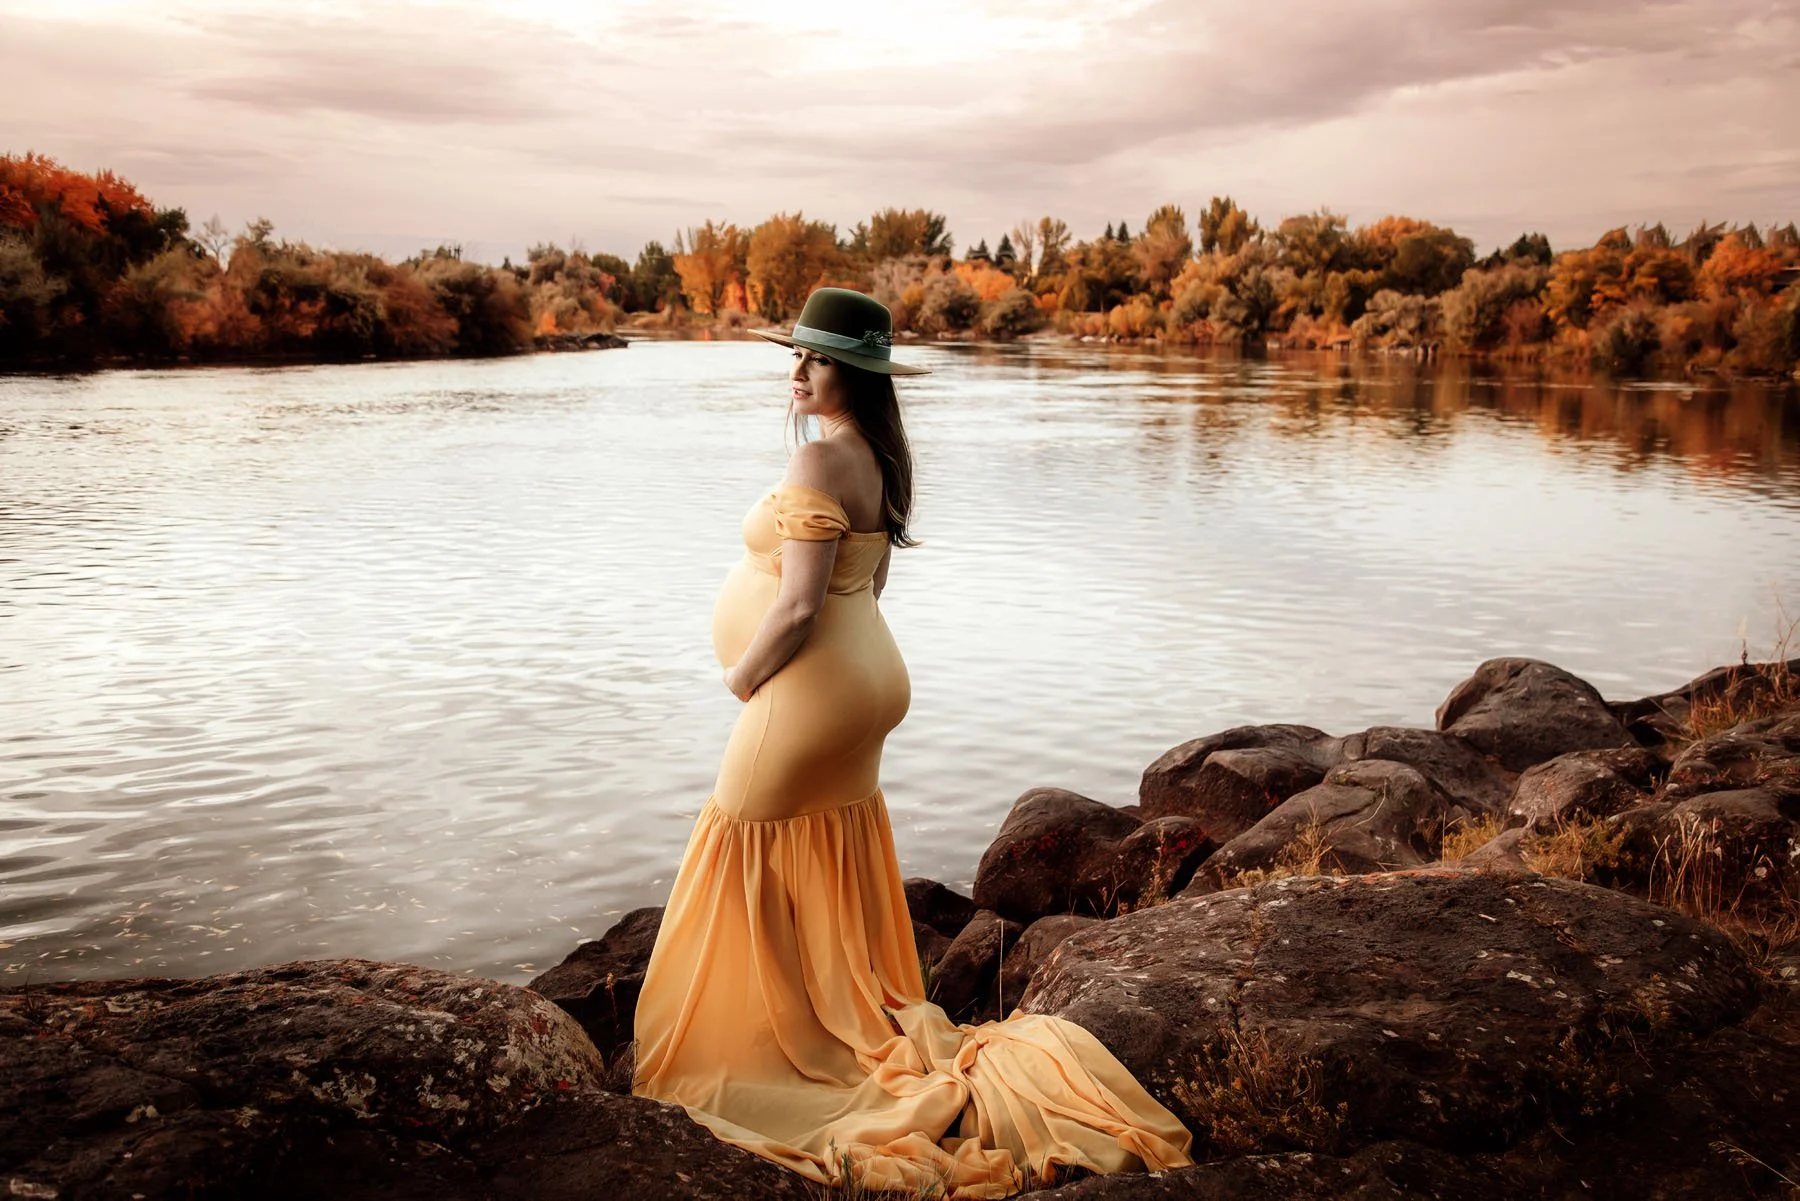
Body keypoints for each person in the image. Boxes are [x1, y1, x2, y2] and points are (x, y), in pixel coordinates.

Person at [630, 287, 1194, 1197]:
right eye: (797, 354)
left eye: (812, 357)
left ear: (847, 369)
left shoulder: (818, 460)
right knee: (824, 844)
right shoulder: (880, 459)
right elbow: (868, 588)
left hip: (805, 691)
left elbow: (801, 604)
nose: (797, 370)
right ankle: (815, 1018)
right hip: (864, 684)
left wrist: (742, 681)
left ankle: (765, 1048)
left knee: (743, 838)